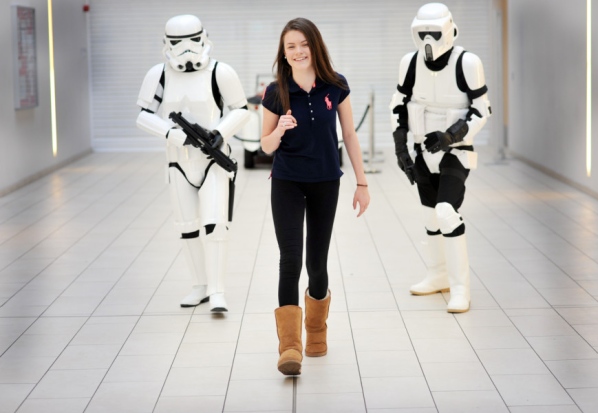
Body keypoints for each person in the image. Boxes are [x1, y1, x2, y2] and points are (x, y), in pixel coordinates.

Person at [261, 17, 370, 376]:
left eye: (302, 44)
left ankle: (317, 331)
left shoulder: (335, 85)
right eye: (290, 46)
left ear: (314, 46)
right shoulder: (276, 92)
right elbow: (265, 146)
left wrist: (362, 183)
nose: (297, 52)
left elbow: (350, 135)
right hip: (287, 182)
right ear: (284, 52)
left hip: (326, 181)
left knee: (317, 264)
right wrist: (278, 129)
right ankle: (289, 346)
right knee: (289, 260)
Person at [136, 15, 249, 312]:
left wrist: (220, 133)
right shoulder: (158, 74)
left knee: (216, 226)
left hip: (213, 160)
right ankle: (200, 285)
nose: (186, 49)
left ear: (204, 38)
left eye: (192, 41)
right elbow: (143, 115)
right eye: (178, 43)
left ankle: (217, 290)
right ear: (167, 44)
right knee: (187, 227)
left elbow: (241, 109)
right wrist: (172, 134)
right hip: (177, 163)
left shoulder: (220, 72)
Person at [389, 3, 491, 313]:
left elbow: (482, 109)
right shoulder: (410, 63)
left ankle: (461, 289)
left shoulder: (467, 63)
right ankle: (438, 275)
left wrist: (451, 135)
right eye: (422, 34)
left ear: (450, 31)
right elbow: (400, 104)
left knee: (447, 212)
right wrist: (399, 146)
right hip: (422, 151)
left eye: (434, 33)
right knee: (429, 216)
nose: (428, 41)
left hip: (455, 152)